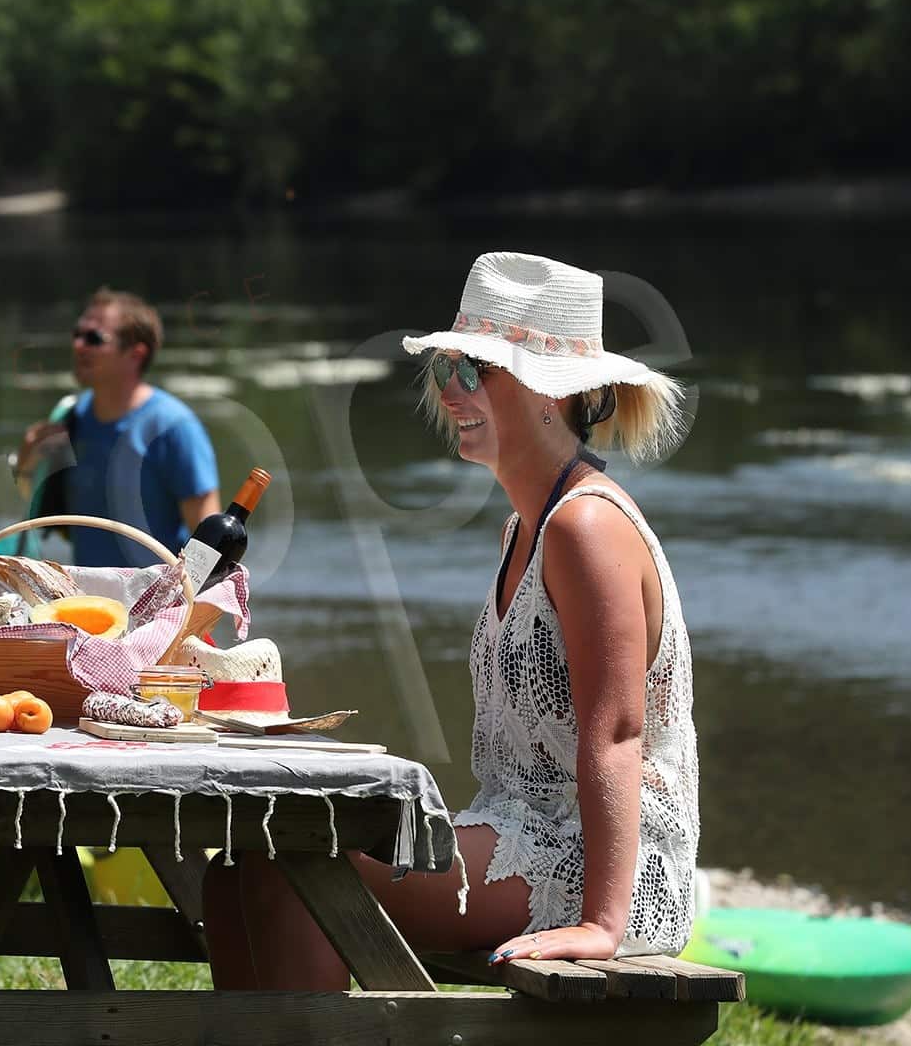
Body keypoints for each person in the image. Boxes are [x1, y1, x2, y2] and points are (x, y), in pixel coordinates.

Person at [202, 251, 699, 987]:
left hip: (592, 864)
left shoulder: (583, 528)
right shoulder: (523, 528)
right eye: (446, 370)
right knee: (235, 873)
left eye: (474, 372)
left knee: (291, 877)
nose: (451, 393)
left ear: (546, 393)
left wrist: (600, 924)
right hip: (517, 833)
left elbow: (619, 732)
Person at [14, 287, 220, 567]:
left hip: (158, 606)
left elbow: (209, 543)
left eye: (93, 338)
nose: (79, 345)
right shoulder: (71, 417)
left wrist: (194, 610)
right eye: (77, 335)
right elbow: (35, 508)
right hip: (84, 603)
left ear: (136, 353)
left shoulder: (174, 428)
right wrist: (28, 463)